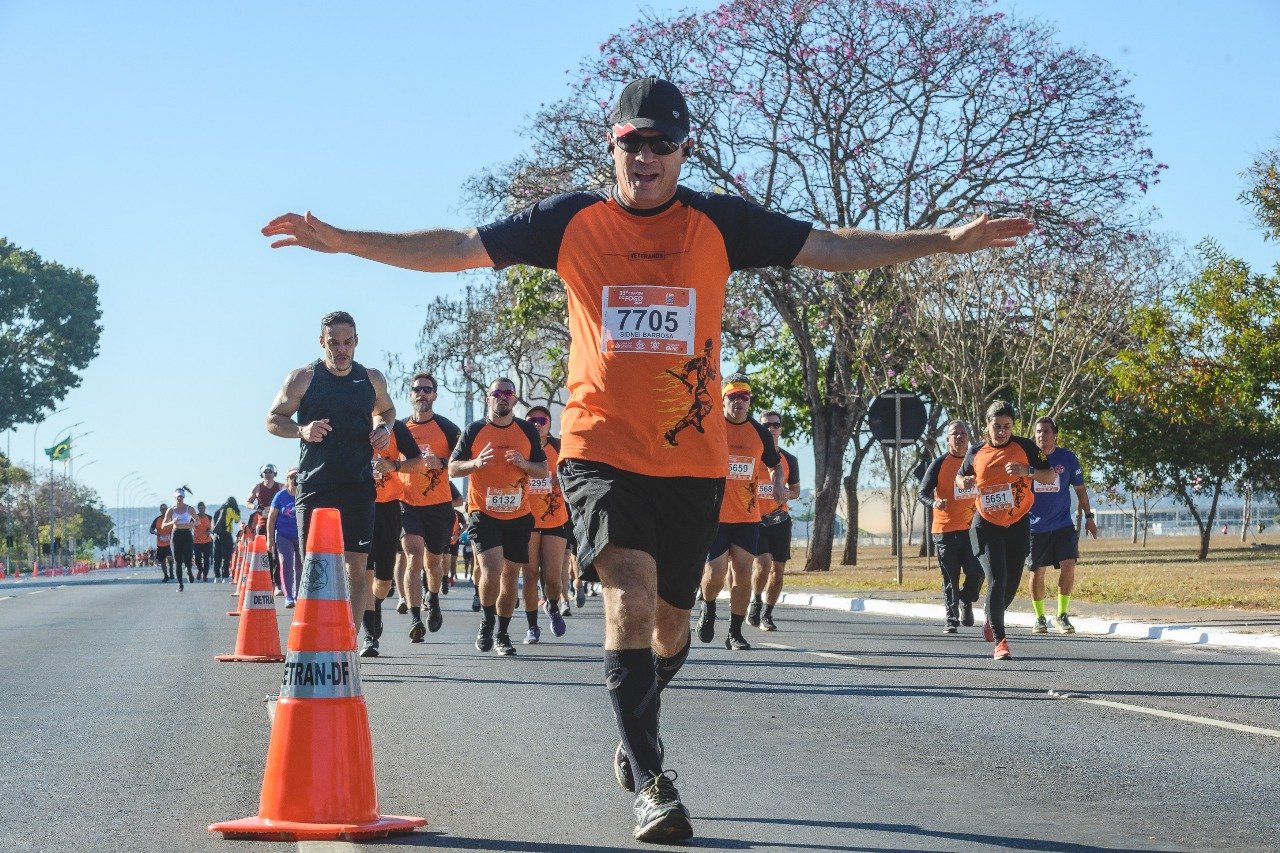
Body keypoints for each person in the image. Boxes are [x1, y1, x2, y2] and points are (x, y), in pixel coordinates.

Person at [263, 75, 1032, 843]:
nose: (647, 157)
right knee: (628, 594)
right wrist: (343, 240)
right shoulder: (571, 222)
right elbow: (459, 249)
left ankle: (637, 724)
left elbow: (829, 246)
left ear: (682, 151)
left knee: (672, 628)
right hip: (600, 453)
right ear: (614, 145)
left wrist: (944, 239)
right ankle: (651, 775)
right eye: (634, 143)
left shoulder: (717, 225)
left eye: (663, 144)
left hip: (692, 467)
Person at [266, 310, 396, 634]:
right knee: (316, 568)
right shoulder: (303, 378)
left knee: (356, 567)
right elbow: (273, 419)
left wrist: (385, 428)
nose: (341, 350)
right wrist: (302, 430)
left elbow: (388, 410)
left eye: (347, 342)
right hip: (316, 487)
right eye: (334, 343)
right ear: (322, 341)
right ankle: (314, 638)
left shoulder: (371, 378)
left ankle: (346, 643)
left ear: (356, 342)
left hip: (358, 484)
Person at [447, 378, 547, 657]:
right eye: (496, 393)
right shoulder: (474, 430)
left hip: (518, 514)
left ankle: (502, 633)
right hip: (483, 513)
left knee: (510, 575)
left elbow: (543, 469)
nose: (502, 397)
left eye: (507, 393)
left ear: (514, 399)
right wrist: (476, 464)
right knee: (491, 570)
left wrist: (524, 464)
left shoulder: (526, 430)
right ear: (487, 399)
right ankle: (487, 622)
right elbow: (453, 469)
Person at [956, 402, 1054, 660]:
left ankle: (991, 617)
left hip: (1017, 523)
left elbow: (1050, 476)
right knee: (997, 578)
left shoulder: (1026, 447)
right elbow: (960, 477)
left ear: (1013, 426)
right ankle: (1001, 641)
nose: (1001, 432)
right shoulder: (976, 451)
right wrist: (964, 481)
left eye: (1007, 427)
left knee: (1010, 585)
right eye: (996, 426)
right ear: (987, 426)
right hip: (986, 523)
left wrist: (1027, 471)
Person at [697, 376, 782, 651]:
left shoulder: (759, 433)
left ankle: (734, 632)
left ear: (750, 401)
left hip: (746, 517)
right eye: (733, 396)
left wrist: (778, 482)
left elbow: (775, 464)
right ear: (723, 399)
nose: (738, 402)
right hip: (715, 516)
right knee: (716, 574)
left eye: (744, 397)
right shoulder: (711, 426)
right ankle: (708, 607)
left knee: (743, 573)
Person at [398, 372, 462, 644]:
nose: (421, 393)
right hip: (407, 503)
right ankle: (415, 619)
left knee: (433, 564)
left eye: (427, 389)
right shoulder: (399, 428)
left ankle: (433, 598)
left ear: (434, 395)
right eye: (417, 389)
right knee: (414, 558)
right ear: (410, 395)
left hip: (439, 506)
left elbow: (463, 460)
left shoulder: (447, 428)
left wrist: (444, 461)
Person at [1027, 416, 1098, 635]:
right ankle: (1039, 617)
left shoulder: (1067, 458)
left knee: (1069, 564)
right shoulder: (1027, 458)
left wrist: (1088, 516)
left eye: (1046, 431)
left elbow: (1080, 489)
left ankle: (1062, 615)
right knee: (1037, 571)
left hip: (1062, 525)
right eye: (1038, 431)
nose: (1042, 435)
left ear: (1055, 434)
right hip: (1034, 526)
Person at [362, 408, 424, 656]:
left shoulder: (396, 428)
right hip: (358, 504)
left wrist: (393, 464)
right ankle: (368, 636)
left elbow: (418, 462)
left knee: (384, 580)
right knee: (362, 570)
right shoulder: (351, 423)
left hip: (388, 508)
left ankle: (375, 604)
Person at [918, 420, 985, 633]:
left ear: (968, 437)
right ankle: (951, 618)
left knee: (977, 571)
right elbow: (922, 493)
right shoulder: (939, 464)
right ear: (948, 440)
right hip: (945, 530)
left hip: (973, 528)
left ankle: (967, 598)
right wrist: (934, 502)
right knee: (950, 576)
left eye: (963, 433)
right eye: (954, 434)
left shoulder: (978, 461)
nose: (959, 437)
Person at [748, 411, 801, 632]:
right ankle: (756, 599)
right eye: (766, 425)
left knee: (778, 570)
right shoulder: (752, 456)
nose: (771, 429)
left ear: (780, 429)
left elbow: (796, 491)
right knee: (762, 564)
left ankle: (767, 614)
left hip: (779, 520)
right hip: (754, 519)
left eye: (775, 425)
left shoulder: (789, 459)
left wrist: (783, 492)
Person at [525, 404, 570, 642]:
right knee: (530, 574)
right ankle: (532, 627)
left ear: (550, 424)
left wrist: (557, 478)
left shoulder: (559, 448)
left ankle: (552, 606)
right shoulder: (521, 446)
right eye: (531, 420)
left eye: (541, 420)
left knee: (553, 578)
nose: (536, 424)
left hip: (555, 519)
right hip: (527, 519)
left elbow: (575, 476)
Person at [267, 469, 304, 606]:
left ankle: (299, 594)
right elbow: (271, 518)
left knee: (300, 565)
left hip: (300, 535)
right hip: (283, 535)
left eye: (297, 476)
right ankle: (288, 596)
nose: (294, 479)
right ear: (287, 479)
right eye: (291, 477)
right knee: (286, 562)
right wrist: (269, 539)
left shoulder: (304, 495)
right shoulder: (280, 496)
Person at [246, 464, 285, 595]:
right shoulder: (257, 487)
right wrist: (255, 507)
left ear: (275, 473)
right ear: (262, 474)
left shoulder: (280, 486)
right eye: (265, 472)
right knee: (265, 555)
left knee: (277, 554)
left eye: (270, 472)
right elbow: (247, 502)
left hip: (277, 523)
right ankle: (267, 582)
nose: (268, 474)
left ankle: (278, 585)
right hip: (262, 523)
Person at [163, 489, 198, 591]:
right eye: (178, 497)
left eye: (181, 497)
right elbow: (163, 525)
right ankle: (180, 584)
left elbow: (198, 521)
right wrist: (172, 522)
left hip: (187, 534)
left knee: (188, 557)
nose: (180, 499)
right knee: (177, 561)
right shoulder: (171, 510)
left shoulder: (189, 509)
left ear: (184, 497)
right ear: (175, 497)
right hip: (176, 534)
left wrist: (191, 524)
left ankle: (189, 571)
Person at [211, 498, 240, 583]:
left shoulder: (219, 510)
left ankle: (217, 577)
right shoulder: (230, 509)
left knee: (217, 556)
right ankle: (225, 576)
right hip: (226, 535)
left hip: (216, 535)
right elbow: (237, 519)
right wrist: (237, 511)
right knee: (226, 556)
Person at [149, 503, 173, 582]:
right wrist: (155, 533)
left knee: (170, 557)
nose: (164, 511)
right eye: (162, 509)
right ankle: (166, 575)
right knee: (162, 561)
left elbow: (176, 527)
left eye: (165, 509)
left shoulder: (171, 519)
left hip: (169, 543)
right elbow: (151, 529)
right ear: (160, 510)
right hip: (160, 544)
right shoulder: (157, 520)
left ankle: (171, 570)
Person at [193, 501, 214, 582]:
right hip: (197, 542)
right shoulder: (195, 517)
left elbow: (213, 528)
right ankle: (200, 570)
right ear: (198, 509)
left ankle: (205, 575)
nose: (201, 509)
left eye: (203, 508)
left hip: (207, 542)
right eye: (200, 508)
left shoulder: (209, 518)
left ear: (205, 508)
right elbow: (190, 526)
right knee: (197, 559)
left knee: (206, 559)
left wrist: (209, 531)